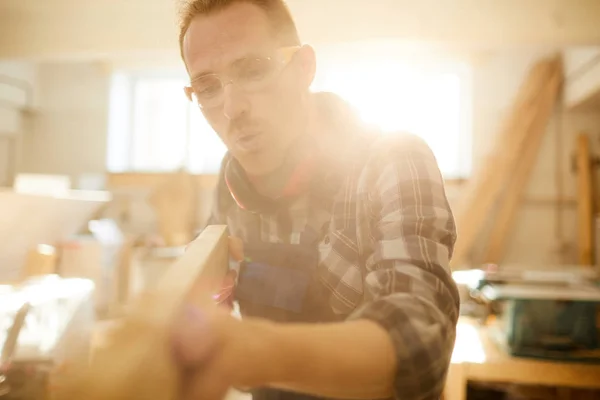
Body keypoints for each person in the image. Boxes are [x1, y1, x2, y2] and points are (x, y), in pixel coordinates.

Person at [172, 1, 460, 400]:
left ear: (303, 67)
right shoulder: (230, 180)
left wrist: (248, 353)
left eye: (253, 69)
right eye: (207, 86)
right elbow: (212, 277)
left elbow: (420, 343)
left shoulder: (392, 161)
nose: (232, 108)